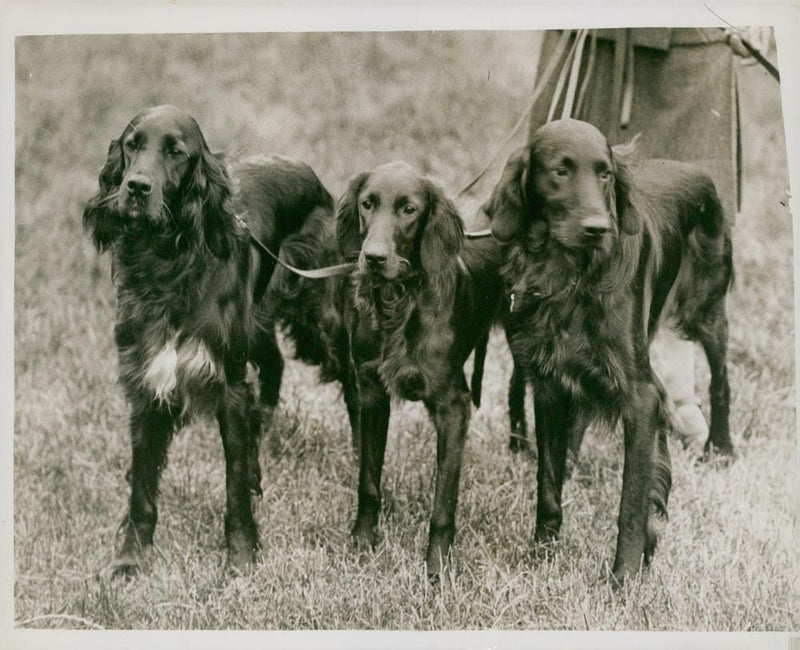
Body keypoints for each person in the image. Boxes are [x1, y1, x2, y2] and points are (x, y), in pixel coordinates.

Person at [528, 27, 761, 443]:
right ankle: (576, 392)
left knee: (681, 217)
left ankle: (682, 393)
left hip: (692, 37)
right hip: (599, 34)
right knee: (580, 206)